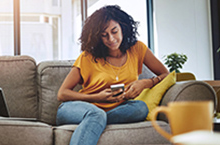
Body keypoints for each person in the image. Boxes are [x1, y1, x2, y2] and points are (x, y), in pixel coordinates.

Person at [56, 5, 169, 145]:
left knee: (141, 108)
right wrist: (96, 97)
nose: (111, 38)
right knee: (96, 114)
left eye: (114, 31)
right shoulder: (87, 57)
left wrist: (146, 82)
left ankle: (98, 122)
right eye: (104, 35)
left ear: (123, 27)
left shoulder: (137, 49)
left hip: (117, 110)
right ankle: (98, 119)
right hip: (79, 109)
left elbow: (165, 74)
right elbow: (62, 94)